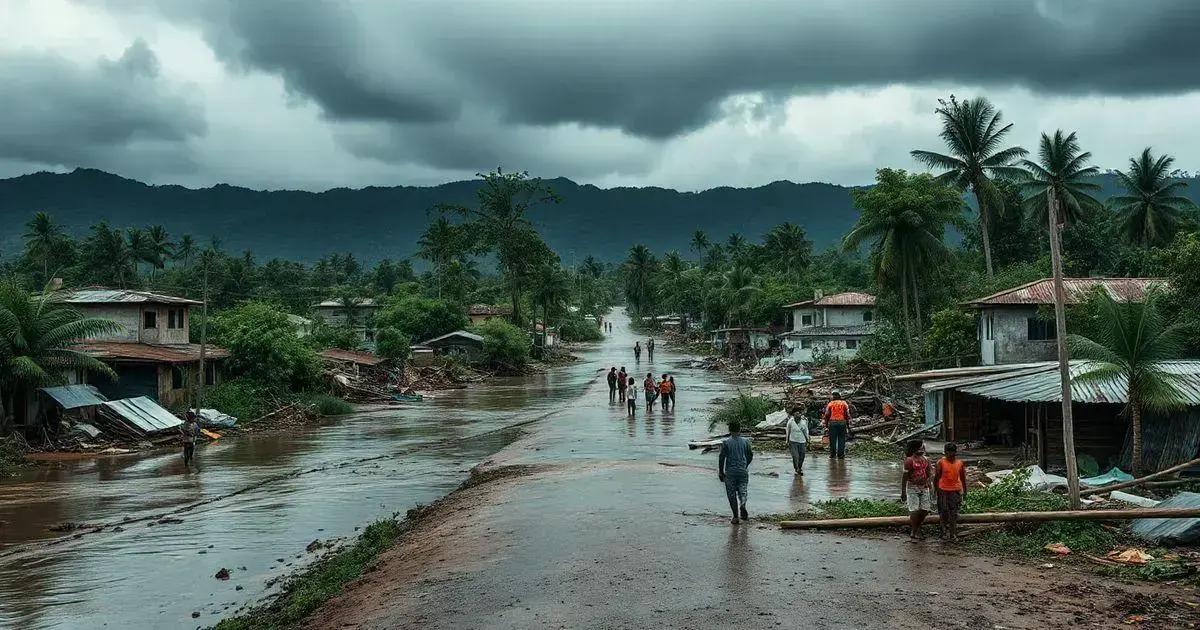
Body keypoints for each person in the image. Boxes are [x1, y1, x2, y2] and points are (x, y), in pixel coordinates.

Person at [718, 421, 753, 524]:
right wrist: (745, 465)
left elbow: (722, 457)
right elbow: (750, 455)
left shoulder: (726, 442)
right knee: (743, 490)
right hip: (742, 471)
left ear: (730, 430)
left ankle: (735, 517)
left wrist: (721, 471)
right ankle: (743, 503)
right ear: (740, 429)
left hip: (730, 472)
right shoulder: (746, 442)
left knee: (731, 494)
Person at [933, 442, 968, 542]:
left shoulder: (959, 463)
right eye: (948, 452)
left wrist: (965, 491)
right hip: (943, 490)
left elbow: (962, 478)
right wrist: (935, 490)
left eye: (952, 452)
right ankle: (943, 532)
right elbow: (936, 477)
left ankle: (952, 534)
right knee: (943, 512)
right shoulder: (940, 463)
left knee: (954, 513)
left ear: (955, 452)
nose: (950, 454)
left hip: (955, 491)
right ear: (945, 452)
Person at [900, 440, 932, 541]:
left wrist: (930, 487)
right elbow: (905, 477)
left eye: (923, 448)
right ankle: (915, 530)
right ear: (915, 449)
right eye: (920, 447)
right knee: (914, 510)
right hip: (912, 487)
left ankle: (917, 527)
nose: (922, 449)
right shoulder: (909, 461)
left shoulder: (926, 460)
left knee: (925, 509)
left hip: (924, 487)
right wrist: (903, 492)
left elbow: (928, 474)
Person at [823, 391, 851, 459]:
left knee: (832, 439)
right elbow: (847, 415)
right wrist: (848, 425)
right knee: (841, 439)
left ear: (833, 397)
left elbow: (827, 415)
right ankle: (840, 455)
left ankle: (832, 455)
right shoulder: (844, 403)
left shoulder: (830, 404)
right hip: (842, 422)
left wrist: (826, 425)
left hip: (832, 423)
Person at [784, 407, 809, 475]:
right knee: (795, 456)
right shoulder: (790, 422)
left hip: (802, 441)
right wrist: (787, 441)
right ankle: (796, 468)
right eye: (796, 413)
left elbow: (806, 431)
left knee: (802, 456)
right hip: (793, 441)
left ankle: (799, 467)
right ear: (793, 415)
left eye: (799, 413)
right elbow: (788, 432)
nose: (798, 415)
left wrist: (808, 440)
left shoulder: (804, 422)